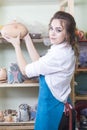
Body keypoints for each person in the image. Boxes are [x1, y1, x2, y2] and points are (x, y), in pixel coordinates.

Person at [2, 11, 79, 130]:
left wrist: (17, 46)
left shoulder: (59, 55)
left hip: (55, 114)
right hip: (55, 108)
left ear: (68, 34)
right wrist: (27, 37)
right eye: (51, 28)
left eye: (58, 30)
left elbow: (25, 71)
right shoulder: (62, 49)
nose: (52, 33)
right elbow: (40, 63)